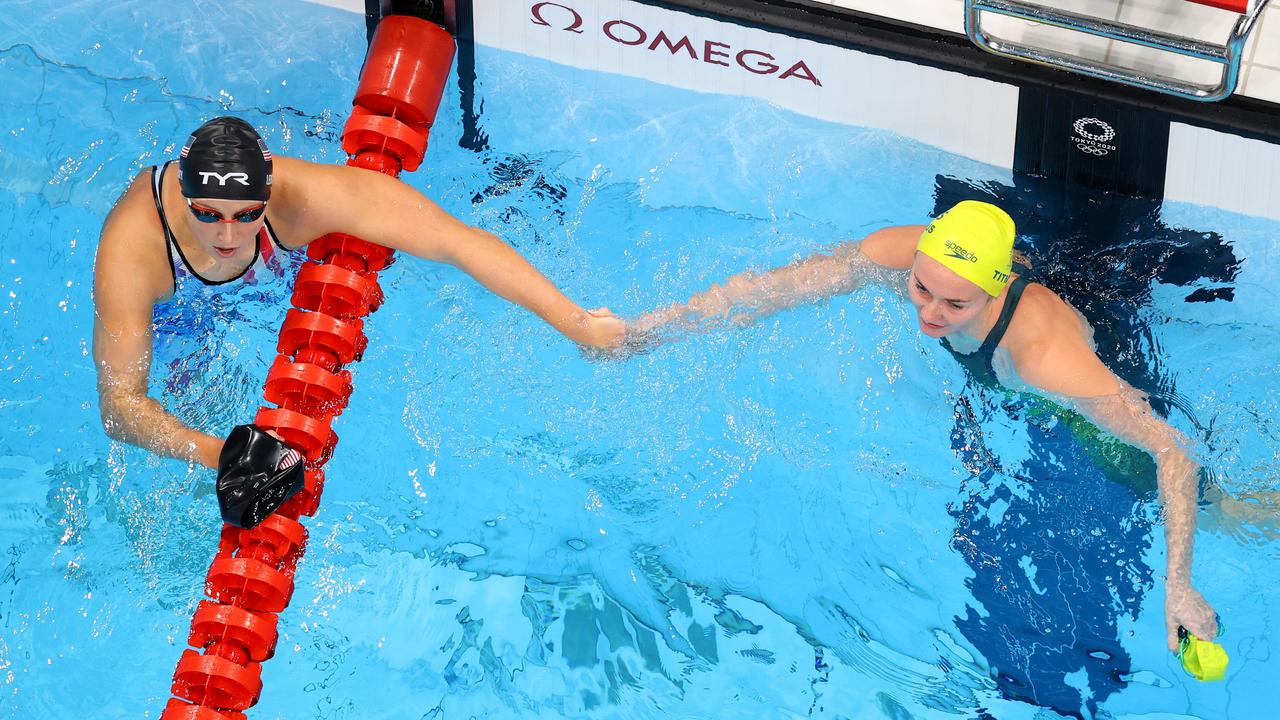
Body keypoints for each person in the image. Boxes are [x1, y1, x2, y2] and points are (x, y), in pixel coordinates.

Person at [627, 200, 1217, 653]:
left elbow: (1176, 450)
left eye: (954, 305)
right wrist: (648, 330)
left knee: (1206, 503)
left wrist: (1180, 583)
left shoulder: (1045, 358)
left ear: (995, 287)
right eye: (921, 289)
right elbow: (771, 289)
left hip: (1094, 363)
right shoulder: (905, 253)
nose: (929, 312)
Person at [93, 116, 625, 474]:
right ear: (185, 198)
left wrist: (576, 323)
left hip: (274, 275)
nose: (228, 236)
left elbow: (456, 243)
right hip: (178, 312)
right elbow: (119, 408)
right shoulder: (133, 250)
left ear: (268, 194)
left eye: (246, 214)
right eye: (208, 214)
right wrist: (223, 454)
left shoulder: (302, 198)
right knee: (195, 404)